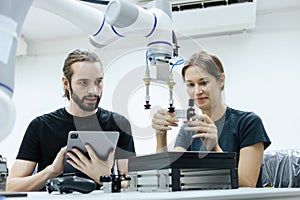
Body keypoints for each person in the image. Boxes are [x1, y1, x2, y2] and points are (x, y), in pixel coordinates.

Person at [7, 49, 135, 191]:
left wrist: (104, 177)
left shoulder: (119, 124)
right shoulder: (41, 126)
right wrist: (52, 171)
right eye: (83, 83)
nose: (93, 90)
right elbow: (11, 186)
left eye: (98, 82)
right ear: (66, 83)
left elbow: (131, 182)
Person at [152, 51, 271, 187]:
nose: (196, 91)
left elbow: (246, 184)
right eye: (190, 85)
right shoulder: (189, 129)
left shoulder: (248, 123)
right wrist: (160, 136)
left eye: (203, 83)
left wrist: (215, 149)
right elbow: (168, 177)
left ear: (221, 80)